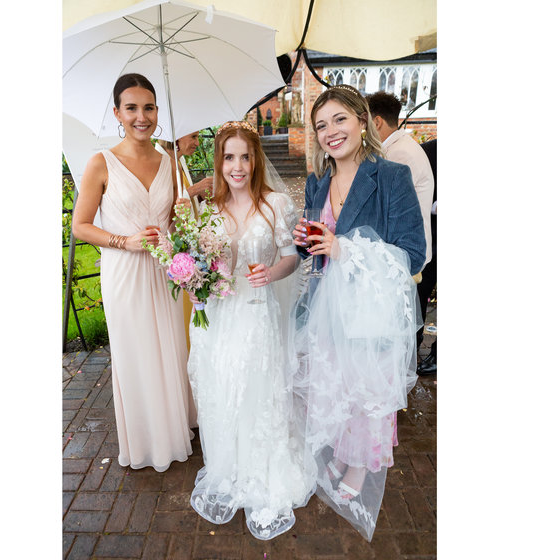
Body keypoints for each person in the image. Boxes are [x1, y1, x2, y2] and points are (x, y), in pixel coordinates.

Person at [291, 84, 426, 541]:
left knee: (368, 392)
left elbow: (414, 252)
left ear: (362, 120)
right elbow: (318, 245)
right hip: (328, 309)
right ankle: (346, 455)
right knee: (341, 386)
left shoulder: (391, 176)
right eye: (322, 125)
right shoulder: (318, 182)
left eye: (340, 120)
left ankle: (360, 469)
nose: (331, 132)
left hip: (371, 312)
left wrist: (345, 248)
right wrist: (304, 238)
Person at [186, 121, 312, 540]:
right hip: (220, 314)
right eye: (228, 157)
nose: (237, 166)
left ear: (255, 159)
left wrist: (272, 271)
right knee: (224, 386)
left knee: (255, 387)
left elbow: (292, 258)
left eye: (244, 156)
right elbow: (202, 262)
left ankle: (261, 468)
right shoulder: (209, 211)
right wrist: (194, 279)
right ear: (219, 161)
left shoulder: (274, 203)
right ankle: (230, 465)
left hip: (257, 311)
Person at [71, 73, 197, 472]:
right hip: (125, 272)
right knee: (136, 352)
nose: (142, 117)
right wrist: (126, 241)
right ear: (117, 113)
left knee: (171, 347)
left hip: (164, 273)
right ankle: (148, 441)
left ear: (157, 112)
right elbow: (80, 226)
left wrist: (177, 221)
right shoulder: (101, 163)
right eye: (132, 108)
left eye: (149, 108)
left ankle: (176, 426)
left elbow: (175, 224)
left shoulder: (170, 163)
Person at [156, 130, 215, 350]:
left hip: (189, 246)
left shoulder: (178, 162)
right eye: (194, 137)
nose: (197, 143)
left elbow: (182, 203)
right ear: (177, 137)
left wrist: (200, 196)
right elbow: (161, 208)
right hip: (174, 251)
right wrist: (194, 189)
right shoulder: (161, 162)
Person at [365, 91, 434, 269]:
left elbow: (383, 207)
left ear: (377, 122)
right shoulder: (398, 147)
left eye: (364, 122)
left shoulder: (399, 154)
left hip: (404, 254)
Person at [416, 138, 437, 375]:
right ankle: (413, 350)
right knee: (420, 294)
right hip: (433, 237)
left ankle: (438, 354)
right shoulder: (427, 151)